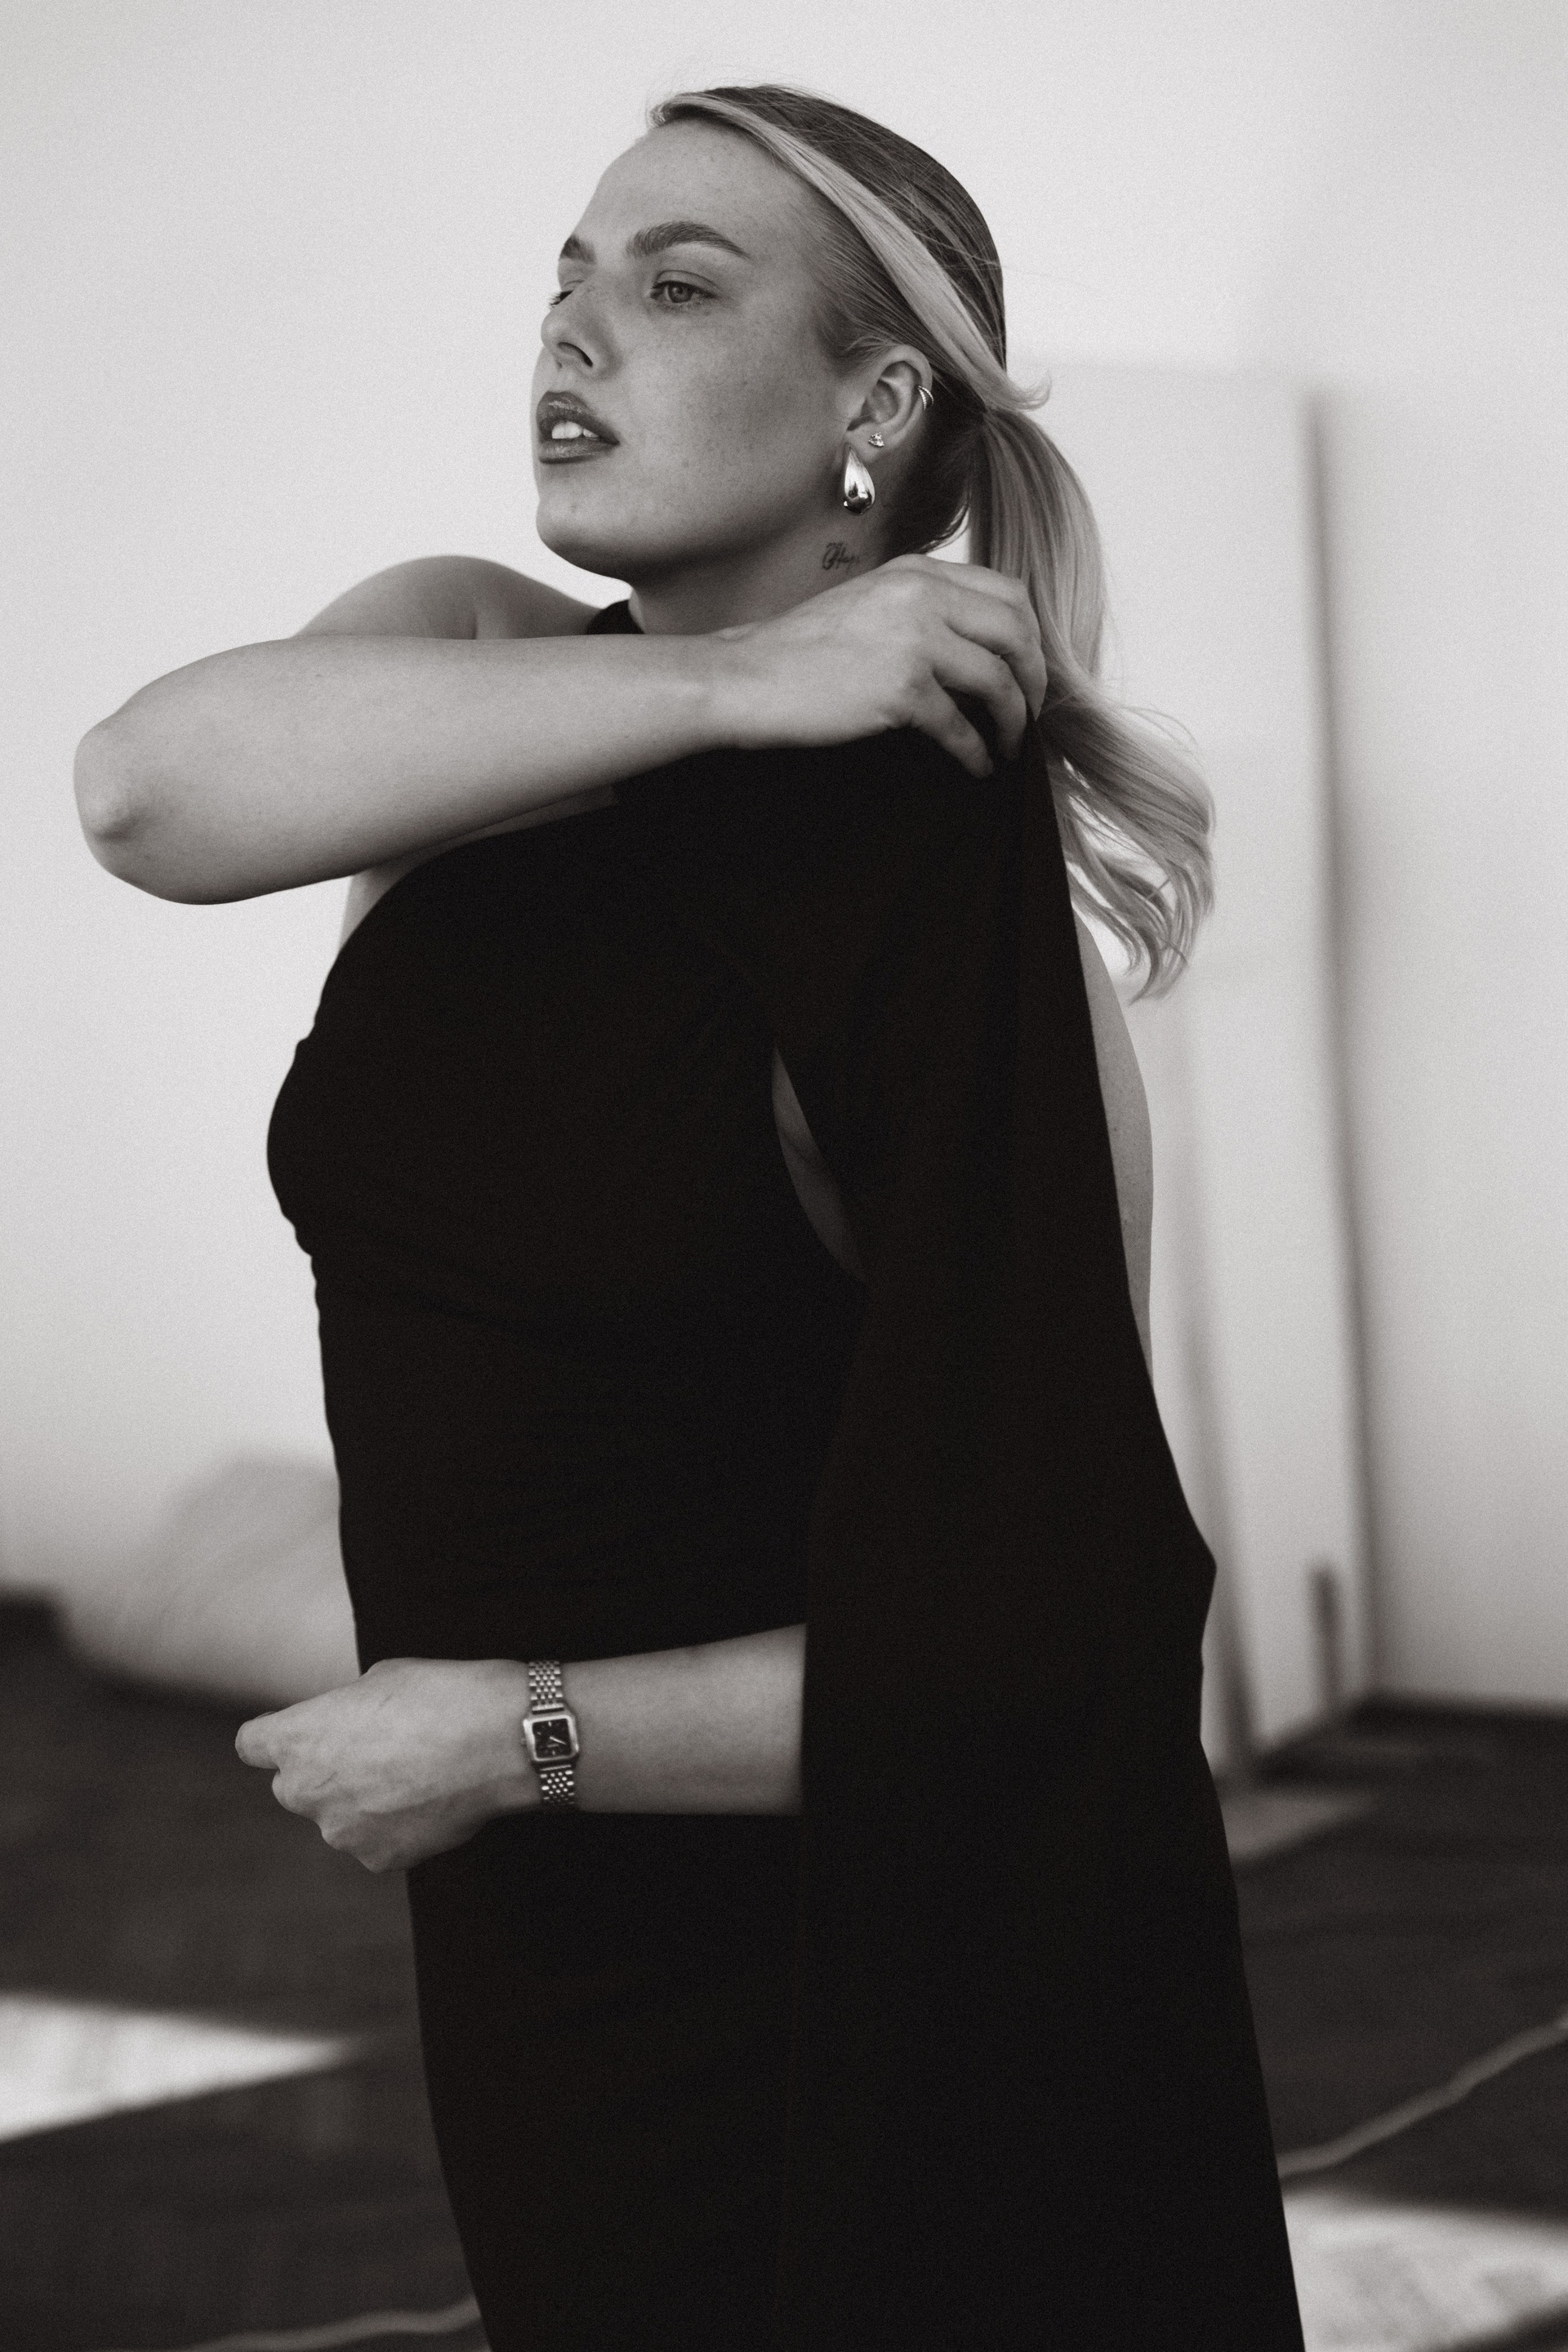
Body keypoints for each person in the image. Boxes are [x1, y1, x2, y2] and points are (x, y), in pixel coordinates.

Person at [75, 83, 1303, 2352]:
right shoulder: (467, 668)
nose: (575, 328)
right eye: (568, 275)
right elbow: (143, 793)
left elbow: (1059, 1647)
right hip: (531, 1951)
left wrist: (515, 1736)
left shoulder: (936, 910)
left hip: (846, 1980)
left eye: (676, 284)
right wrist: (738, 683)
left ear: (877, 408)